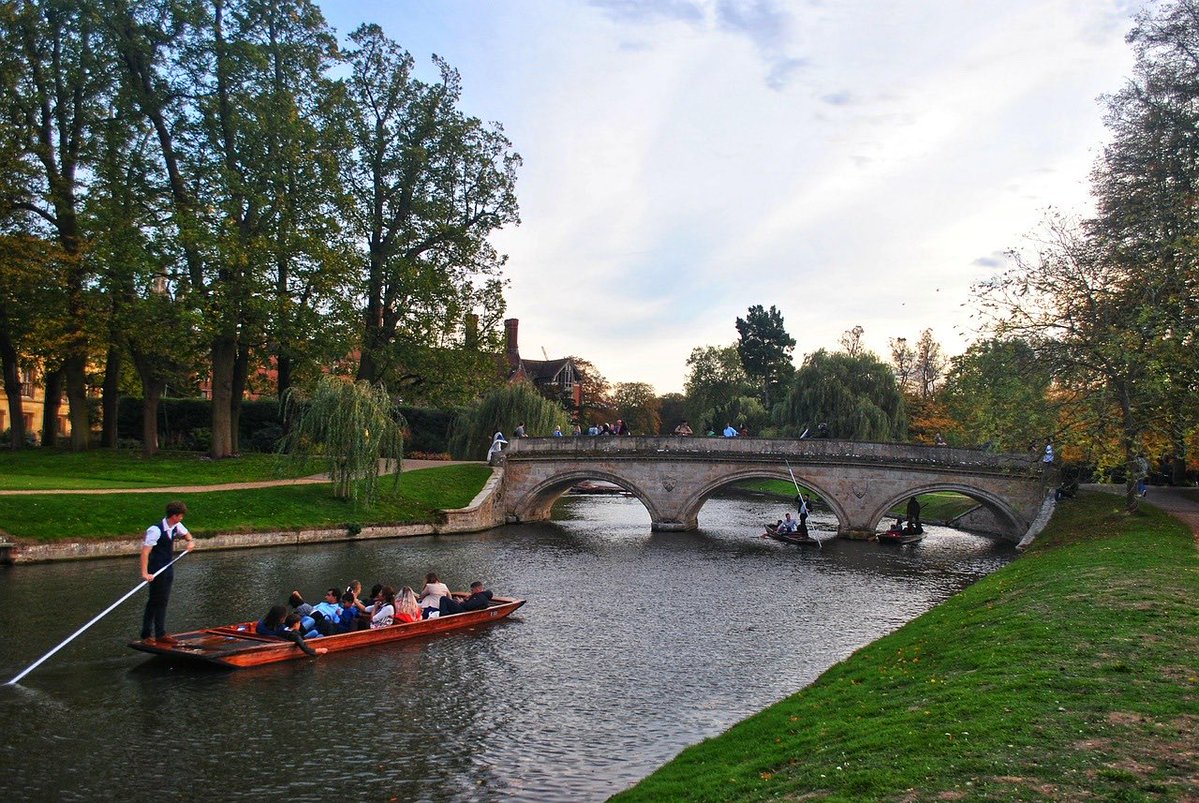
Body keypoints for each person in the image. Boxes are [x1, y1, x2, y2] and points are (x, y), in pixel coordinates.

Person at [139, 500, 194, 644]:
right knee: (154, 601)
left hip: (168, 567)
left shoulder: (177, 526)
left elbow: (188, 535)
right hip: (156, 569)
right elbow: (145, 553)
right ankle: (146, 635)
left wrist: (190, 542)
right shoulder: (155, 530)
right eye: (181, 516)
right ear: (174, 516)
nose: (182, 518)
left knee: (163, 600)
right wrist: (145, 573)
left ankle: (160, 633)